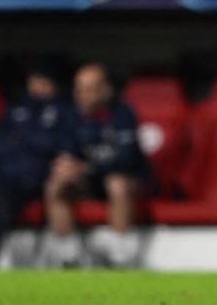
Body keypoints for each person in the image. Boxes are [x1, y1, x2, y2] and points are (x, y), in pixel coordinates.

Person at [43, 64, 147, 267]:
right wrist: (66, 166)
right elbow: (66, 153)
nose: (83, 95)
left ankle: (119, 254)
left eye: (89, 89)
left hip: (128, 180)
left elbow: (125, 161)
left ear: (106, 90)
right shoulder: (70, 117)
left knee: (116, 183)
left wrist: (86, 167)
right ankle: (68, 256)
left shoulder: (123, 114)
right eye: (79, 89)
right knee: (57, 183)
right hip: (89, 182)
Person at [0, 65, 72, 230]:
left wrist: (22, 140)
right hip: (9, 172)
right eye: (34, 82)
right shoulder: (16, 109)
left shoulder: (65, 110)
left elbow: (56, 145)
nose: (38, 87)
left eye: (43, 82)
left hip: (42, 173)